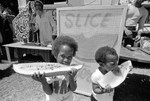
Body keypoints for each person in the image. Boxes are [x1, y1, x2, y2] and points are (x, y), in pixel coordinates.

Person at [32, 35, 78, 101]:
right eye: (63, 56)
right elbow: (49, 92)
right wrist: (44, 82)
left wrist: (71, 78)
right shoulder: (49, 71)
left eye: (69, 57)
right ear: (55, 55)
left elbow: (73, 89)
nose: (66, 60)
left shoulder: (73, 71)